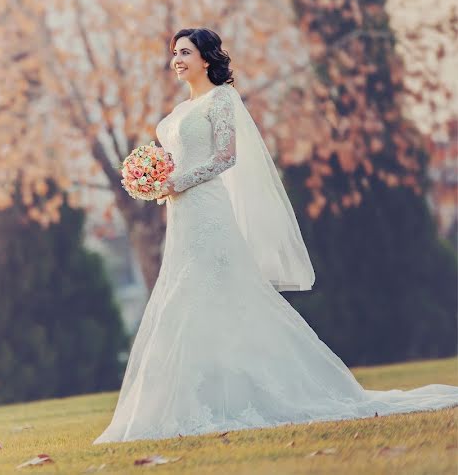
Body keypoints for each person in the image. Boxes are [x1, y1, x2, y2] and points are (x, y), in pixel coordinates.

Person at [94, 27, 458, 444]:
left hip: (208, 209)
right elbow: (174, 159)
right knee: (186, 293)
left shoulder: (223, 99)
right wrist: (152, 180)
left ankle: (252, 395)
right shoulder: (178, 111)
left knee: (209, 292)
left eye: (185, 52)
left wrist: (178, 181)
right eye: (174, 52)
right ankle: (192, 398)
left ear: (206, 59)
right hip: (181, 215)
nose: (176, 59)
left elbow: (226, 157)